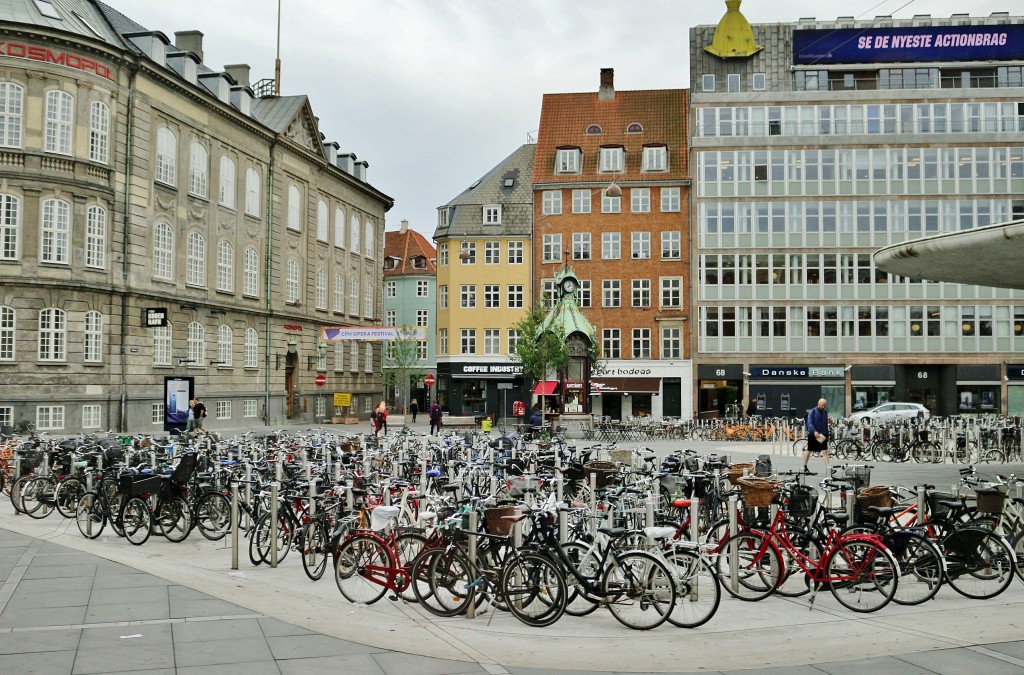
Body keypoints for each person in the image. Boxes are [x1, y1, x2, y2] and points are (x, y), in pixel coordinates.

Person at [804, 398, 830, 474]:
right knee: (809, 450)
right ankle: (804, 465)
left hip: (822, 435)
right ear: (818, 404)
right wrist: (814, 431)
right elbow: (809, 423)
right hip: (813, 434)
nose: (823, 407)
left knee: (825, 451)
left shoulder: (825, 412)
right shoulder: (812, 412)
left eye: (824, 405)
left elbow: (825, 424)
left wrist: (827, 435)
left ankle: (828, 467)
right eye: (822, 405)